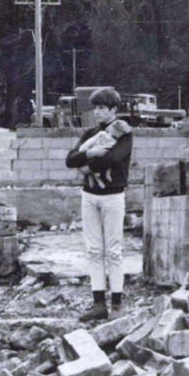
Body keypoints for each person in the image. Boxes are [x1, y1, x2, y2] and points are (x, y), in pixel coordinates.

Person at [65, 88, 133, 321]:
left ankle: (117, 304)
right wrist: (90, 152)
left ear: (114, 110)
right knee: (94, 250)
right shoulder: (90, 133)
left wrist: (85, 167)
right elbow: (69, 159)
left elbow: (114, 158)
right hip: (89, 196)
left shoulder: (124, 133)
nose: (97, 112)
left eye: (102, 108)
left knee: (113, 251)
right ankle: (98, 304)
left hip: (113, 197)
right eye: (95, 108)